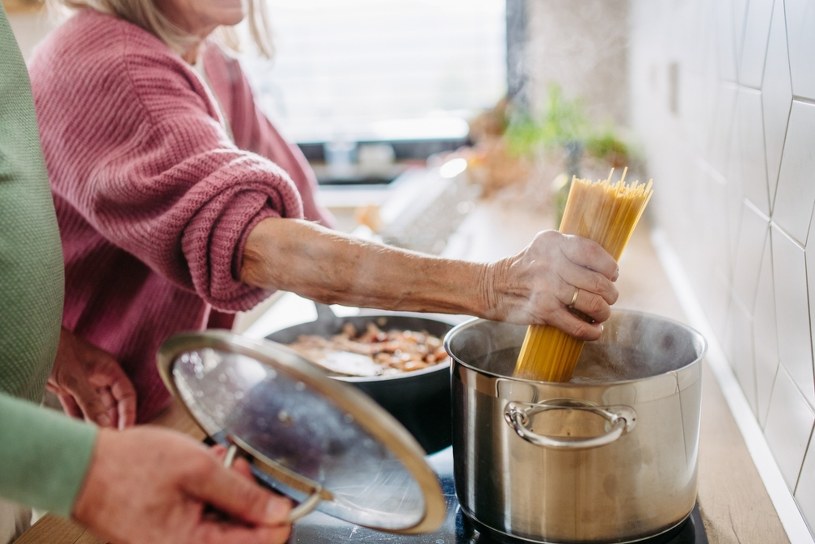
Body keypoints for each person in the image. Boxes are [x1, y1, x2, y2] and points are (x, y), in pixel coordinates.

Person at [29, 0, 620, 425]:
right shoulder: (107, 65)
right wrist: (494, 286)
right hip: (87, 415)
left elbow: (310, 225)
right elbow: (258, 246)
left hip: (172, 389)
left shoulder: (211, 63)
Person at [0, 4, 293, 542]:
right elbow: (249, 241)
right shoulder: (95, 61)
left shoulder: (219, 67)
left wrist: (51, 344)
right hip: (55, 442)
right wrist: (80, 469)